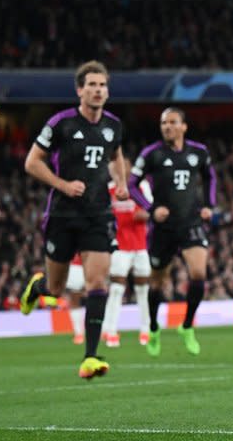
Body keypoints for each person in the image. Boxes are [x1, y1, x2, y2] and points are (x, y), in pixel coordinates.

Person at [20, 60, 128, 380]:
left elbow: (116, 155)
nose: (98, 90)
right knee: (56, 287)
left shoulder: (113, 126)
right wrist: (63, 185)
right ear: (79, 90)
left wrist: (120, 183)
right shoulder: (61, 123)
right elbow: (31, 162)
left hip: (98, 214)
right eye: (92, 85)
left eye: (102, 85)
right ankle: (36, 287)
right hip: (63, 215)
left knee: (97, 282)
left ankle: (91, 357)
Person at [129, 107, 216, 357]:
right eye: (163, 123)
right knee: (157, 283)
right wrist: (150, 208)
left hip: (190, 222)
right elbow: (133, 184)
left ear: (183, 126)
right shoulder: (152, 154)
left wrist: (209, 205)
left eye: (172, 122)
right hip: (163, 228)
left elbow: (210, 176)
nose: (167, 126)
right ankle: (154, 327)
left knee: (199, 274)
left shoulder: (198, 152)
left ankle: (187, 326)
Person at [102, 165, 153, 347]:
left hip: (140, 246)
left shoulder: (141, 187)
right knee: (116, 289)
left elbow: (151, 210)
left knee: (143, 289)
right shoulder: (108, 190)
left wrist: (144, 215)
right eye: (113, 171)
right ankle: (110, 330)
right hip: (120, 247)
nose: (116, 173)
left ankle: (146, 330)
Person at [66, 254, 85, 345]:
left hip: (96, 260)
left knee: (99, 296)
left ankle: (104, 330)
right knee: (75, 299)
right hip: (76, 264)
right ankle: (79, 333)